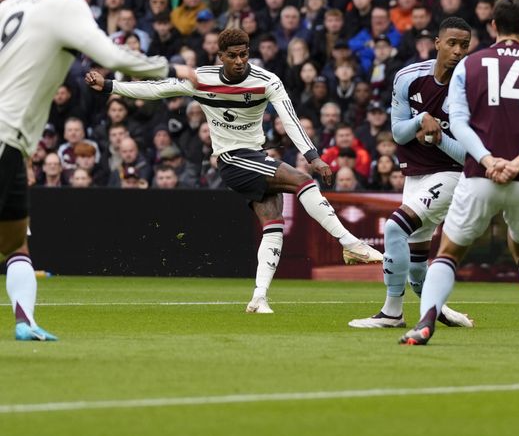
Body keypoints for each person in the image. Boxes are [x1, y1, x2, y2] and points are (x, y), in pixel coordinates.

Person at [85, 28, 383, 314]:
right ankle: (350, 243)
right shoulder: (202, 79)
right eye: (233, 56)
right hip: (231, 159)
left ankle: (259, 298)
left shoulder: (267, 81)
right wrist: (111, 85)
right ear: (221, 56)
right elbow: (158, 89)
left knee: (273, 225)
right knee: (302, 180)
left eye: (244, 55)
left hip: (255, 156)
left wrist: (312, 154)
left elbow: (290, 119)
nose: (240, 61)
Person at [0, 0, 193, 341]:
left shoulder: (11, 5)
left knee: (15, 241)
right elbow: (111, 56)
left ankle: (25, 322)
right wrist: (176, 70)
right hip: (5, 136)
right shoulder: (65, 4)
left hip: (12, 141)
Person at [399, 0, 519, 347]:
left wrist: (488, 159)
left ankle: (424, 324)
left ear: (493, 25)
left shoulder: (470, 65)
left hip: (481, 174)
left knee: (448, 251)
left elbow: (459, 123)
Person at [348, 18, 475, 329]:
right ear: (437, 43)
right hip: (415, 175)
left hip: (453, 174)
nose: (458, 51)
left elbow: (471, 156)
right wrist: (421, 121)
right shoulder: (408, 76)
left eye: (464, 45)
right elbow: (398, 133)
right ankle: (440, 311)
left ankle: (392, 313)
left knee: (394, 229)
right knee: (417, 266)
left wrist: (438, 137)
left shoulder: (472, 88)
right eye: (452, 43)